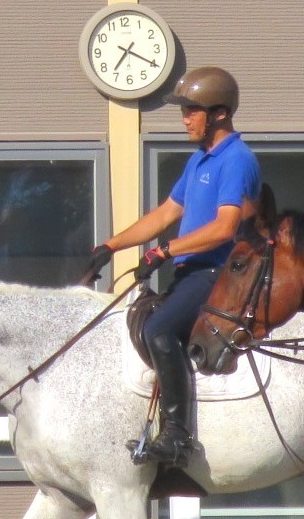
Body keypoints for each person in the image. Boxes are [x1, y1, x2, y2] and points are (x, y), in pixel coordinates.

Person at [82, 66, 260, 468]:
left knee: (158, 329)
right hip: (191, 273)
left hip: (218, 274)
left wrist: (163, 253)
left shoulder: (236, 160)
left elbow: (225, 226)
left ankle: (178, 434)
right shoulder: (200, 161)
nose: (185, 119)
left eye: (191, 111)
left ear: (218, 113)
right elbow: (165, 214)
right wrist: (110, 245)